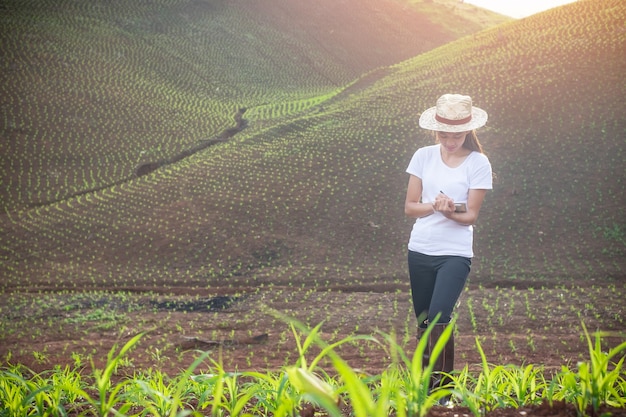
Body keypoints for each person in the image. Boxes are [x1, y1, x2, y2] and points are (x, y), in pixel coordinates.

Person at [404, 94, 493, 396]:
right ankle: (424, 388)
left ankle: (441, 393)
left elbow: (470, 216)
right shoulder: (423, 155)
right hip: (420, 250)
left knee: (440, 316)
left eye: (456, 135)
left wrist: (449, 211)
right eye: (444, 134)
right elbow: (409, 207)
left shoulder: (478, 162)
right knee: (424, 319)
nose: (450, 140)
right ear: (436, 130)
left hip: (454, 254)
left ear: (468, 130)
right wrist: (434, 206)